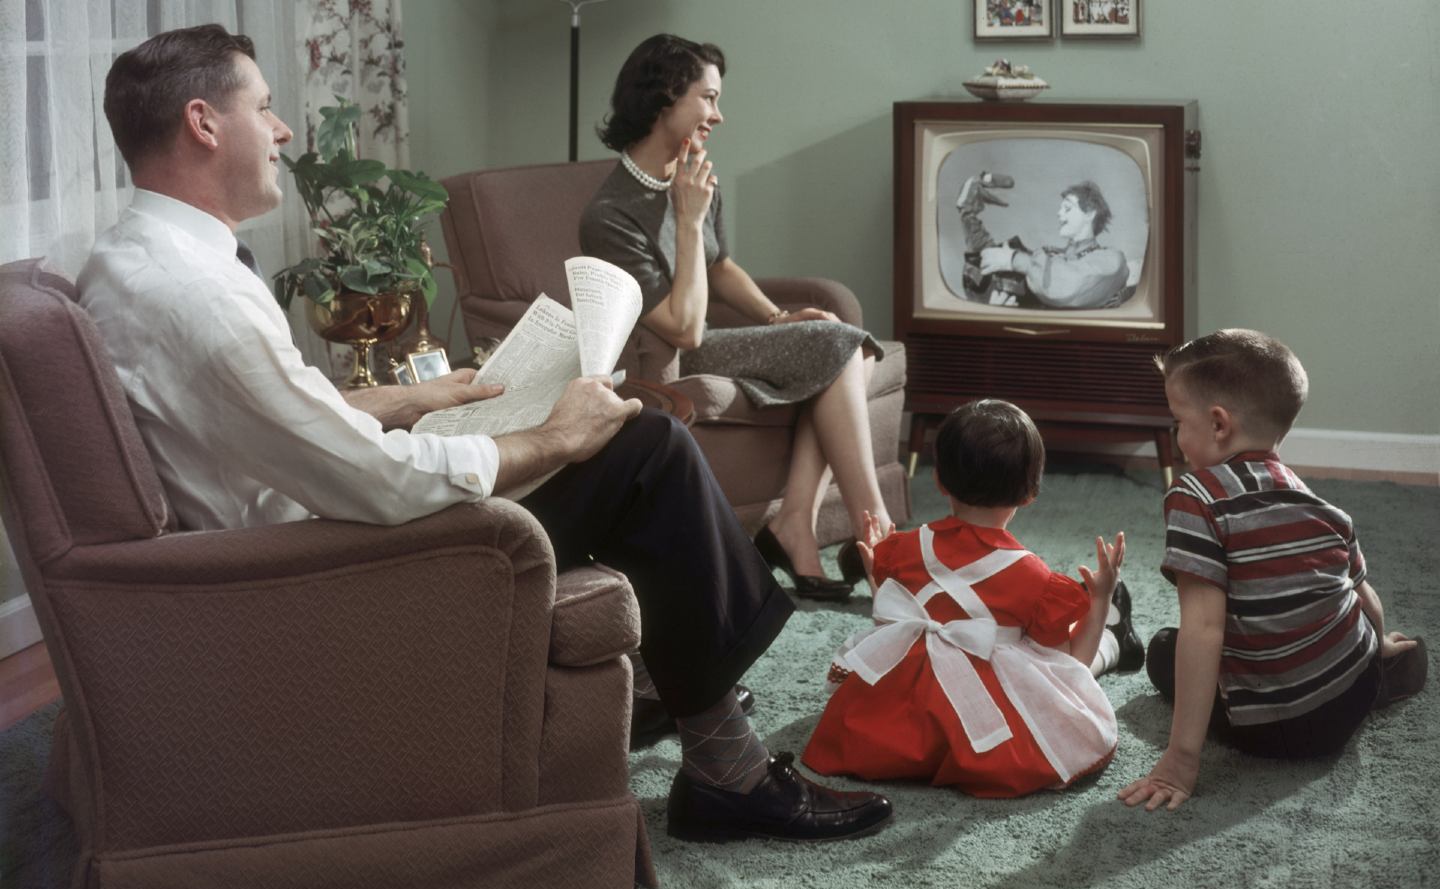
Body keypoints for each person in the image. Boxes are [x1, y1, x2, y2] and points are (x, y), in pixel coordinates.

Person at [78, 24, 892, 845]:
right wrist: (552, 440)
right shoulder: (201, 298)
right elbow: (375, 481)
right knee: (644, 449)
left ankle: (677, 690)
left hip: (299, 537)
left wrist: (410, 396)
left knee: (622, 437)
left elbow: (258, 420)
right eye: (264, 106)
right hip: (326, 572)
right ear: (203, 124)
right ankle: (729, 768)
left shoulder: (129, 261)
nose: (284, 129)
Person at [579, 34, 890, 601]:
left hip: (696, 332)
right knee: (846, 346)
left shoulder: (692, 174)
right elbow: (682, 327)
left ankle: (797, 521)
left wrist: (778, 318)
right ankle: (881, 540)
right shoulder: (610, 214)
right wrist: (689, 219)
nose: (718, 116)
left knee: (851, 346)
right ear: (664, 97)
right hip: (660, 356)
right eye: (708, 98)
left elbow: (719, 268)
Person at [1119, 329, 1428, 812]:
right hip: (1353, 695)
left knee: (1166, 647)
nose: (1177, 436)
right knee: (1354, 628)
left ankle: (1337, 676)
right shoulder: (1319, 503)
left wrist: (1180, 760)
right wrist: (1381, 646)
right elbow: (1363, 596)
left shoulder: (1195, 498)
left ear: (1218, 425)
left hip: (1274, 729)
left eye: (1178, 421)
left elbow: (1204, 629)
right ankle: (1382, 668)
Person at [802, 399, 1143, 797]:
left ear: (940, 481)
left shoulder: (904, 549)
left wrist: (879, 564)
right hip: (984, 718)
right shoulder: (1033, 576)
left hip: (899, 714)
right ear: (1031, 492)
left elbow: (894, 624)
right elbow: (1073, 665)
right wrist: (1099, 598)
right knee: (1055, 670)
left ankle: (1118, 641)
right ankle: (1115, 641)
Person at [957, 175, 1130, 310]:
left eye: (1067, 208)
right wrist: (968, 216)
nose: (1059, 213)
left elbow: (1067, 285)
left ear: (1090, 213)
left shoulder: (1112, 260)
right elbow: (991, 262)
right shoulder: (1048, 257)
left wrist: (1014, 260)